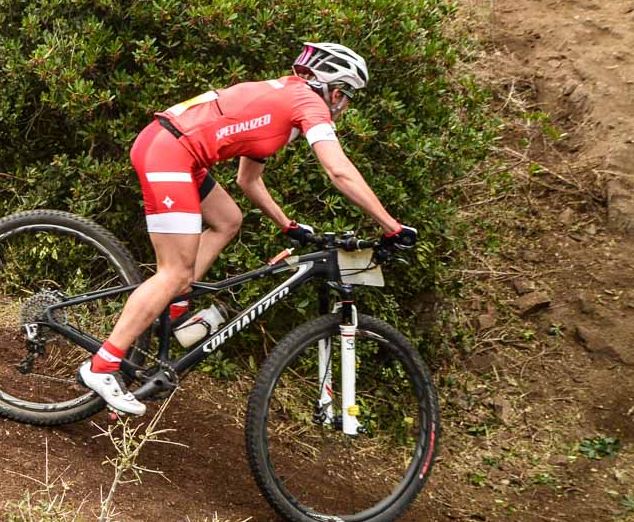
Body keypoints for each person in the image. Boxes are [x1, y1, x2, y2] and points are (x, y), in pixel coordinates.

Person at [75, 43, 416, 417]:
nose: (346, 105)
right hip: (169, 151)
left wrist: (287, 225)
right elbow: (338, 170)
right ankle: (102, 366)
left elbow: (248, 179)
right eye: (348, 95)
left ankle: (171, 307)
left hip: (176, 149)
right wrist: (392, 227)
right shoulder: (308, 102)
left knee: (228, 220)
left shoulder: (284, 99)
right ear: (335, 90)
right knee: (173, 271)